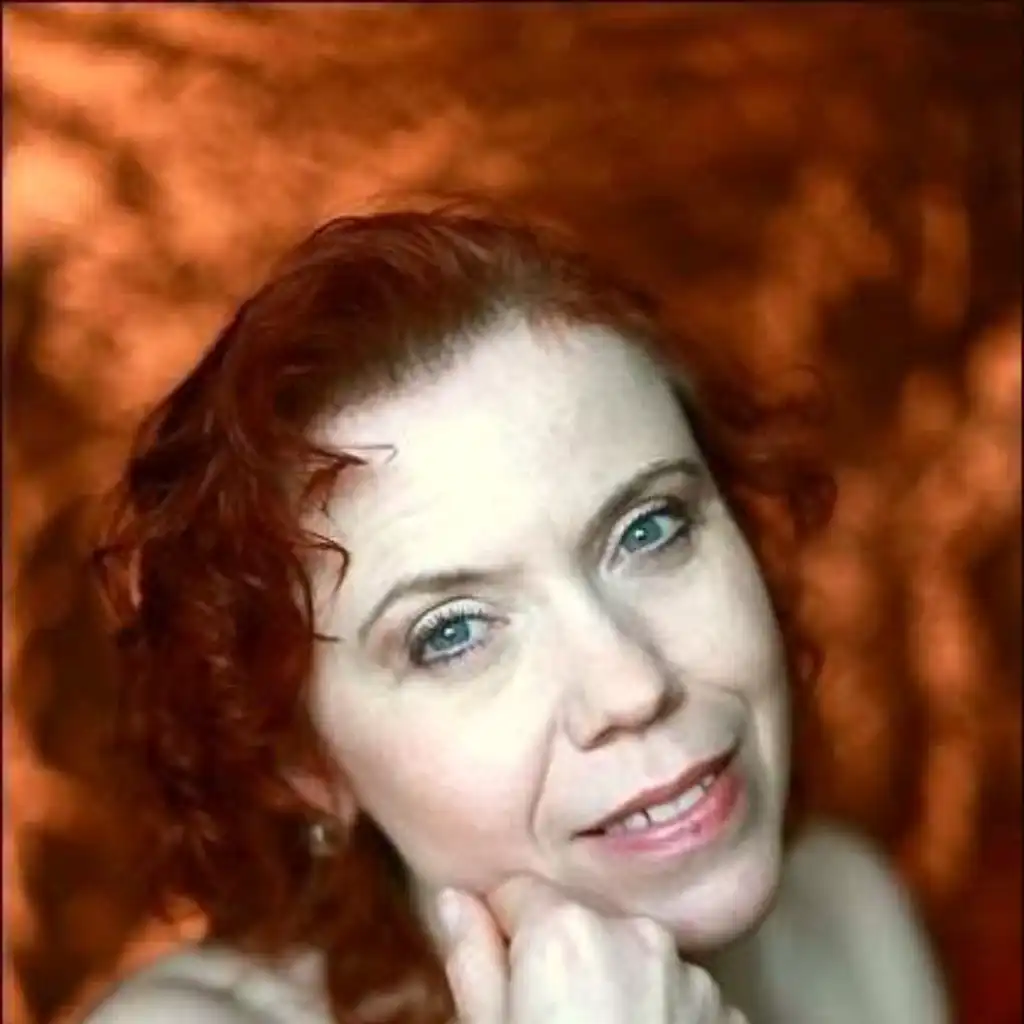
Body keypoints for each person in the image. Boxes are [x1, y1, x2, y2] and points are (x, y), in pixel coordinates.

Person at [82, 204, 948, 1023]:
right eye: (452, 633)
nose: (631, 685)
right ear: (304, 763)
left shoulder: (847, 919)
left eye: (650, 529)